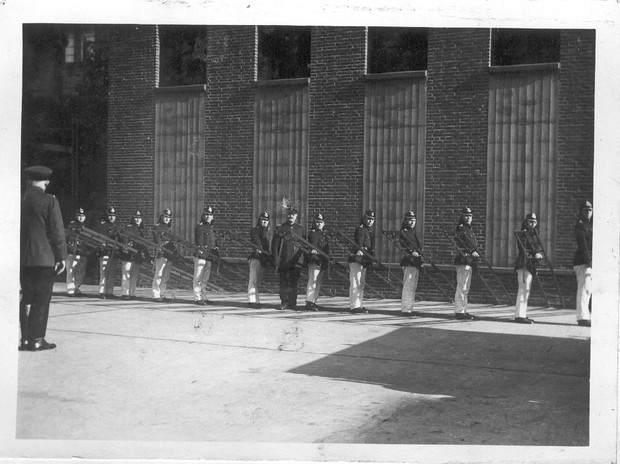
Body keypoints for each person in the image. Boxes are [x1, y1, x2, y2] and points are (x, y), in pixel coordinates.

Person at [20, 165, 66, 351]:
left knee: (27, 298)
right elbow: (57, 232)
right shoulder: (49, 201)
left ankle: (24, 339)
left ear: (29, 181)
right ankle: (37, 339)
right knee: (41, 298)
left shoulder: (20, 199)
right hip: (44, 259)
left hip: (23, 258)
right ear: (46, 181)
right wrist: (61, 256)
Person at [271, 207, 304, 310]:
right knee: (284, 282)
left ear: (296, 216)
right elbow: (275, 246)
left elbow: (304, 245)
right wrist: (276, 259)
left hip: (296, 260)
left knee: (294, 283)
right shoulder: (280, 228)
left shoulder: (300, 229)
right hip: (284, 260)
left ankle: (293, 303)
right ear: (286, 215)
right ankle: (284, 302)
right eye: (289, 214)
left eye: (293, 214)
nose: (291, 216)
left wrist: (303, 261)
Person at [513, 213, 543, 324]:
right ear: (526, 222)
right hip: (524, 263)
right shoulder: (523, 234)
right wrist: (535, 254)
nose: (532, 224)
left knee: (526, 290)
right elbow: (525, 248)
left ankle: (522, 314)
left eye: (534, 222)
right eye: (530, 221)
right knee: (523, 289)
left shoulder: (534, 234)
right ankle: (520, 315)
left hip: (530, 264)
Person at [453, 206, 480, 320]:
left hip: (469, 261)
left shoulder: (469, 230)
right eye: (466, 216)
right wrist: (472, 251)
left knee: (465, 288)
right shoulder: (461, 229)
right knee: (462, 286)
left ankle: (463, 310)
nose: (468, 218)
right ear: (462, 217)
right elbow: (461, 243)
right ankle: (459, 311)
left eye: (470, 216)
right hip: (463, 260)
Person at [348, 210, 376, 314]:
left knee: (361, 283)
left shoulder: (368, 230)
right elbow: (358, 243)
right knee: (355, 282)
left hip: (364, 259)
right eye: (368, 219)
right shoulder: (360, 229)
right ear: (364, 218)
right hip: (357, 259)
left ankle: (359, 304)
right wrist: (359, 249)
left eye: (372, 219)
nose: (370, 221)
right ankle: (354, 306)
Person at [193, 206, 218, 305]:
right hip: (201, 254)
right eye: (206, 214)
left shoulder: (211, 228)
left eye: (210, 215)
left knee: (205, 278)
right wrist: (201, 251)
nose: (208, 217)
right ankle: (197, 298)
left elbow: (213, 241)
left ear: (212, 217)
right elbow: (199, 241)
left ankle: (203, 296)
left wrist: (216, 247)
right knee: (198, 277)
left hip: (209, 255)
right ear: (203, 216)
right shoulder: (200, 226)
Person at [399, 211, 423, 316]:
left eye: (413, 220)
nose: (412, 222)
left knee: (413, 286)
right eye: (410, 220)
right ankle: (406, 309)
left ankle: (410, 308)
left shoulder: (412, 232)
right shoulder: (404, 232)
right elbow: (404, 246)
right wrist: (411, 252)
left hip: (415, 262)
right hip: (409, 262)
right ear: (405, 220)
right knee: (408, 286)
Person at [304, 213, 329, 311]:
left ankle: (314, 301)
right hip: (315, 261)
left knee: (318, 282)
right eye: (317, 222)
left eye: (321, 222)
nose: (319, 224)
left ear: (324, 223)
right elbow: (313, 247)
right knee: (312, 281)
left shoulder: (324, 234)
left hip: (322, 261)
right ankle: (309, 302)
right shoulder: (313, 233)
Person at [573, 200, 593, 327]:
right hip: (583, 262)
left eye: (590, 210)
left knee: (588, 290)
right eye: (585, 210)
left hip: (589, 262)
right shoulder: (580, 226)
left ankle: (585, 316)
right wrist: (589, 262)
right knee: (584, 290)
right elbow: (583, 245)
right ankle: (582, 318)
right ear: (580, 212)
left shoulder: (590, 225)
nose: (588, 212)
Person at [94, 205, 119, 299]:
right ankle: (102, 292)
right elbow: (98, 239)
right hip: (105, 253)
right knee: (104, 272)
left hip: (113, 254)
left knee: (112, 273)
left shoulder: (116, 227)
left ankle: (109, 292)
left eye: (113, 215)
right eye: (110, 215)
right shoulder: (101, 226)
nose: (112, 217)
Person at [120, 210, 146, 300]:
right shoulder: (128, 227)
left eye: (139, 218)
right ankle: (125, 293)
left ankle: (132, 293)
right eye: (136, 218)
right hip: (128, 255)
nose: (138, 220)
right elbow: (125, 240)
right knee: (126, 274)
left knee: (134, 276)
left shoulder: (141, 229)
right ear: (132, 218)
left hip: (137, 256)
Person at [247, 211, 271, 309]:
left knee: (258, 281)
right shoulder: (255, 230)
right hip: (256, 258)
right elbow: (255, 239)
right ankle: (252, 301)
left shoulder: (267, 233)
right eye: (262, 220)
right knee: (253, 279)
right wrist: (259, 247)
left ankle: (256, 300)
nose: (264, 222)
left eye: (266, 220)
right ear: (259, 220)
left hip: (264, 259)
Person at [152, 208, 176, 302]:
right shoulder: (157, 227)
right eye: (165, 217)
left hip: (168, 254)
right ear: (162, 217)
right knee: (158, 274)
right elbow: (157, 240)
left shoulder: (168, 229)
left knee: (166, 275)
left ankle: (162, 293)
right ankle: (156, 294)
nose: (167, 219)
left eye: (168, 217)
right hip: (161, 254)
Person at [65, 207, 89, 297]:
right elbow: (67, 237)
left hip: (82, 252)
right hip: (72, 252)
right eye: (79, 215)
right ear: (76, 216)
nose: (81, 217)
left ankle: (76, 288)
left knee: (80, 272)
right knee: (71, 271)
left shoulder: (86, 226)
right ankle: (70, 290)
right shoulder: (71, 225)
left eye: (82, 216)